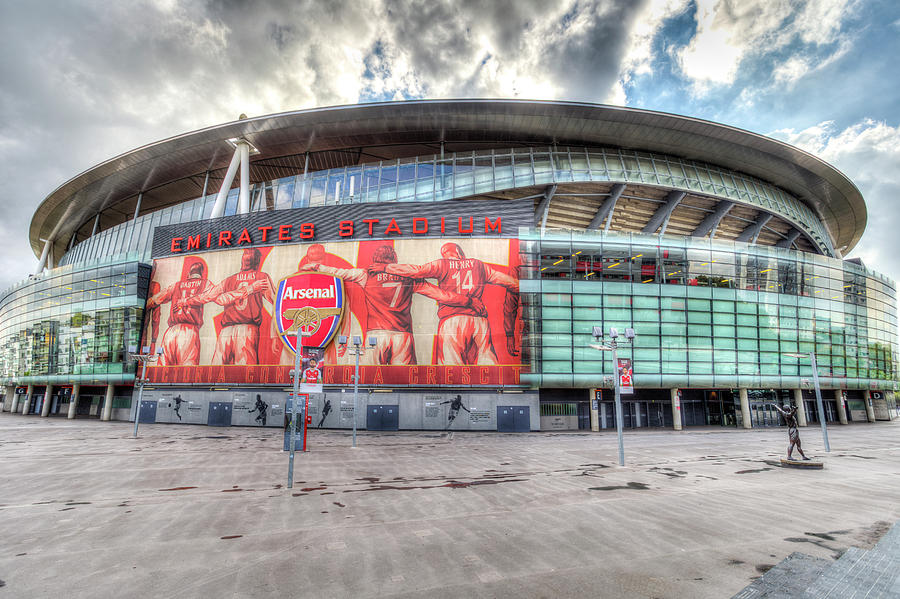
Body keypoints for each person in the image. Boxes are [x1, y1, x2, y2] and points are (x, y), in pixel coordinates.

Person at [309, 244, 484, 365]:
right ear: (394, 259)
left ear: (375, 259)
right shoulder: (409, 278)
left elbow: (339, 273)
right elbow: (441, 295)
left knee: (367, 381)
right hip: (403, 336)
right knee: (405, 382)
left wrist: (317, 266)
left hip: (375, 335)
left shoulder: (365, 274)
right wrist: (469, 301)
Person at [368, 242, 519, 365]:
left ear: (446, 255)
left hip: (451, 320)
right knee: (487, 358)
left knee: (451, 365)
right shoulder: (479, 265)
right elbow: (511, 283)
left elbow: (416, 271)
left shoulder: (442, 264)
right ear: (460, 253)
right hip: (479, 320)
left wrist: (386, 267)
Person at [186, 248, 275, 365]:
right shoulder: (261, 277)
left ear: (242, 260)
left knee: (216, 371)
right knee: (245, 373)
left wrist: (187, 301)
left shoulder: (229, 280)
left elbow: (208, 296)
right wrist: (275, 335)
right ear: (257, 262)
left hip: (226, 330)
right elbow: (277, 303)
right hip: (247, 329)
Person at [146, 260, 213, 366]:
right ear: (201, 273)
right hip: (189, 331)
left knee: (163, 370)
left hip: (171, 332)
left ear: (189, 273)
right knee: (186, 371)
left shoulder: (176, 285)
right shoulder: (205, 283)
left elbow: (154, 300)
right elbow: (215, 294)